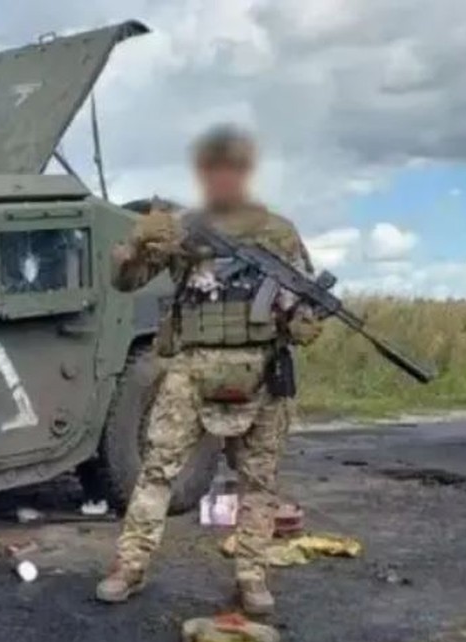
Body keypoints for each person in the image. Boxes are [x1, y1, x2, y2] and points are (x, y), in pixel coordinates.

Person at [95, 124, 324, 615]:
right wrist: (135, 246)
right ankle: (129, 566)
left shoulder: (277, 233)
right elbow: (125, 280)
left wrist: (299, 317)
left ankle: (252, 576)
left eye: (232, 169)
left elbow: (306, 312)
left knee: (258, 481)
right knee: (157, 471)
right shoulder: (180, 230)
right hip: (191, 368)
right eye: (213, 169)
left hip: (261, 369)